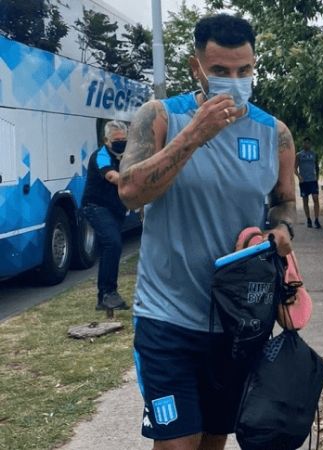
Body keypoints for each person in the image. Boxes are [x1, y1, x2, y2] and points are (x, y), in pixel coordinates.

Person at [117, 14, 296, 450]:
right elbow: (129, 192)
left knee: (214, 440)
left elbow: (284, 199)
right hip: (168, 318)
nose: (233, 81)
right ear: (197, 67)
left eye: (243, 71)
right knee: (178, 443)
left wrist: (281, 228)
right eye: (220, 71)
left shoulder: (275, 133)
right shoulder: (161, 117)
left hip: (238, 321)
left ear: (254, 66)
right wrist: (195, 134)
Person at [81, 120, 130, 311]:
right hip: (96, 206)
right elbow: (112, 177)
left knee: (111, 247)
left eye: (123, 139)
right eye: (116, 140)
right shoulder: (100, 156)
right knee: (113, 243)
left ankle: (105, 295)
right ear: (106, 140)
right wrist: (136, 181)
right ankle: (108, 293)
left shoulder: (128, 154)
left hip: (116, 208)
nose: (120, 142)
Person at [296, 137, 321, 228]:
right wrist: (299, 177)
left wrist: (317, 176)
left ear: (310, 144)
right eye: (305, 143)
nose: (307, 144)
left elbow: (317, 166)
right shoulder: (299, 155)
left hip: (312, 181)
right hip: (304, 182)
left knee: (315, 199)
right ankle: (308, 219)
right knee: (305, 201)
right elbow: (295, 168)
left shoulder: (314, 154)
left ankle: (317, 220)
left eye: (308, 143)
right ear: (303, 144)